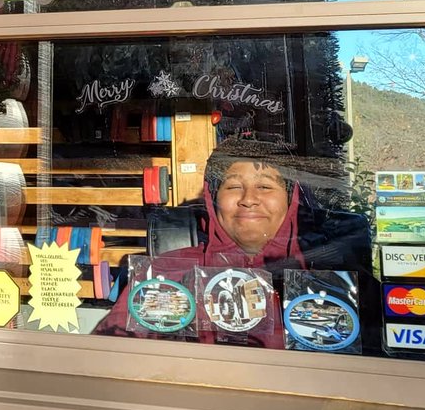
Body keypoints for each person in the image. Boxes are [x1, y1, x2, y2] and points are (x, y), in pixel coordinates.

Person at [93, 140, 368, 341]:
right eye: (234, 186)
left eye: (265, 186)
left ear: (290, 198)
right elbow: (111, 356)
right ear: (213, 199)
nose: (249, 199)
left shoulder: (328, 277)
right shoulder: (166, 274)